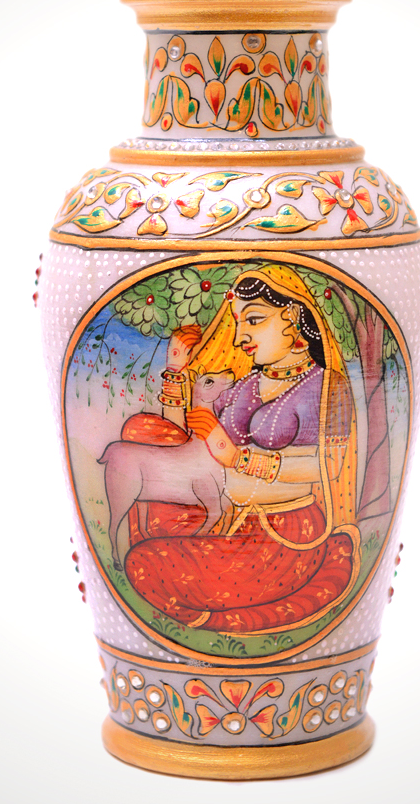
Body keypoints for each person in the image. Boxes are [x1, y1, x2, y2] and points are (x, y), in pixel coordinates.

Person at [125, 264, 361, 634]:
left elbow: (327, 467)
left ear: (293, 315)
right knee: (143, 430)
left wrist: (240, 459)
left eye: (253, 320)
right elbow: (185, 441)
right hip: (226, 516)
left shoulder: (325, 386)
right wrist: (176, 369)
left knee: (145, 564)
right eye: (237, 324)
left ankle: (220, 618)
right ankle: (217, 606)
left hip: (282, 537)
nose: (239, 338)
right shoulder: (247, 383)